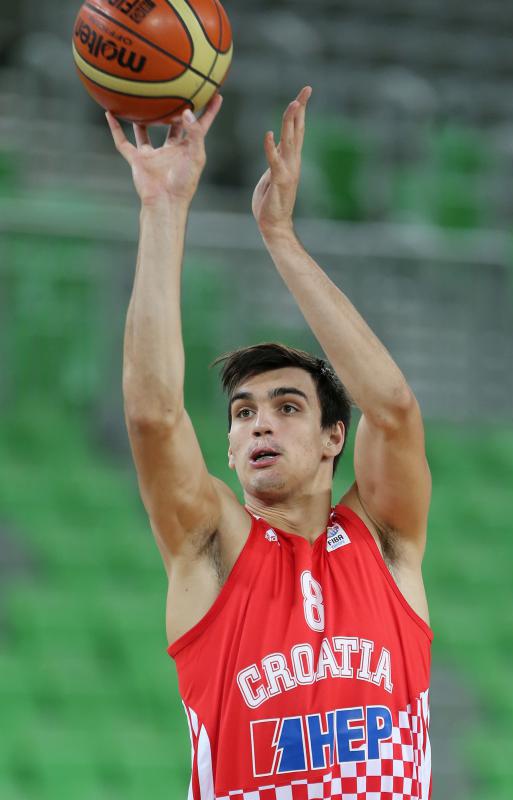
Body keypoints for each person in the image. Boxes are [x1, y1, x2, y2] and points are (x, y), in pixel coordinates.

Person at [106, 87, 433, 799]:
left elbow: (395, 408)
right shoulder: (211, 548)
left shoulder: (387, 543)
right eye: (244, 412)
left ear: (331, 439)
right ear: (226, 448)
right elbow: (154, 416)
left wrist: (280, 237)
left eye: (288, 407)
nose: (259, 422)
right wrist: (163, 207)